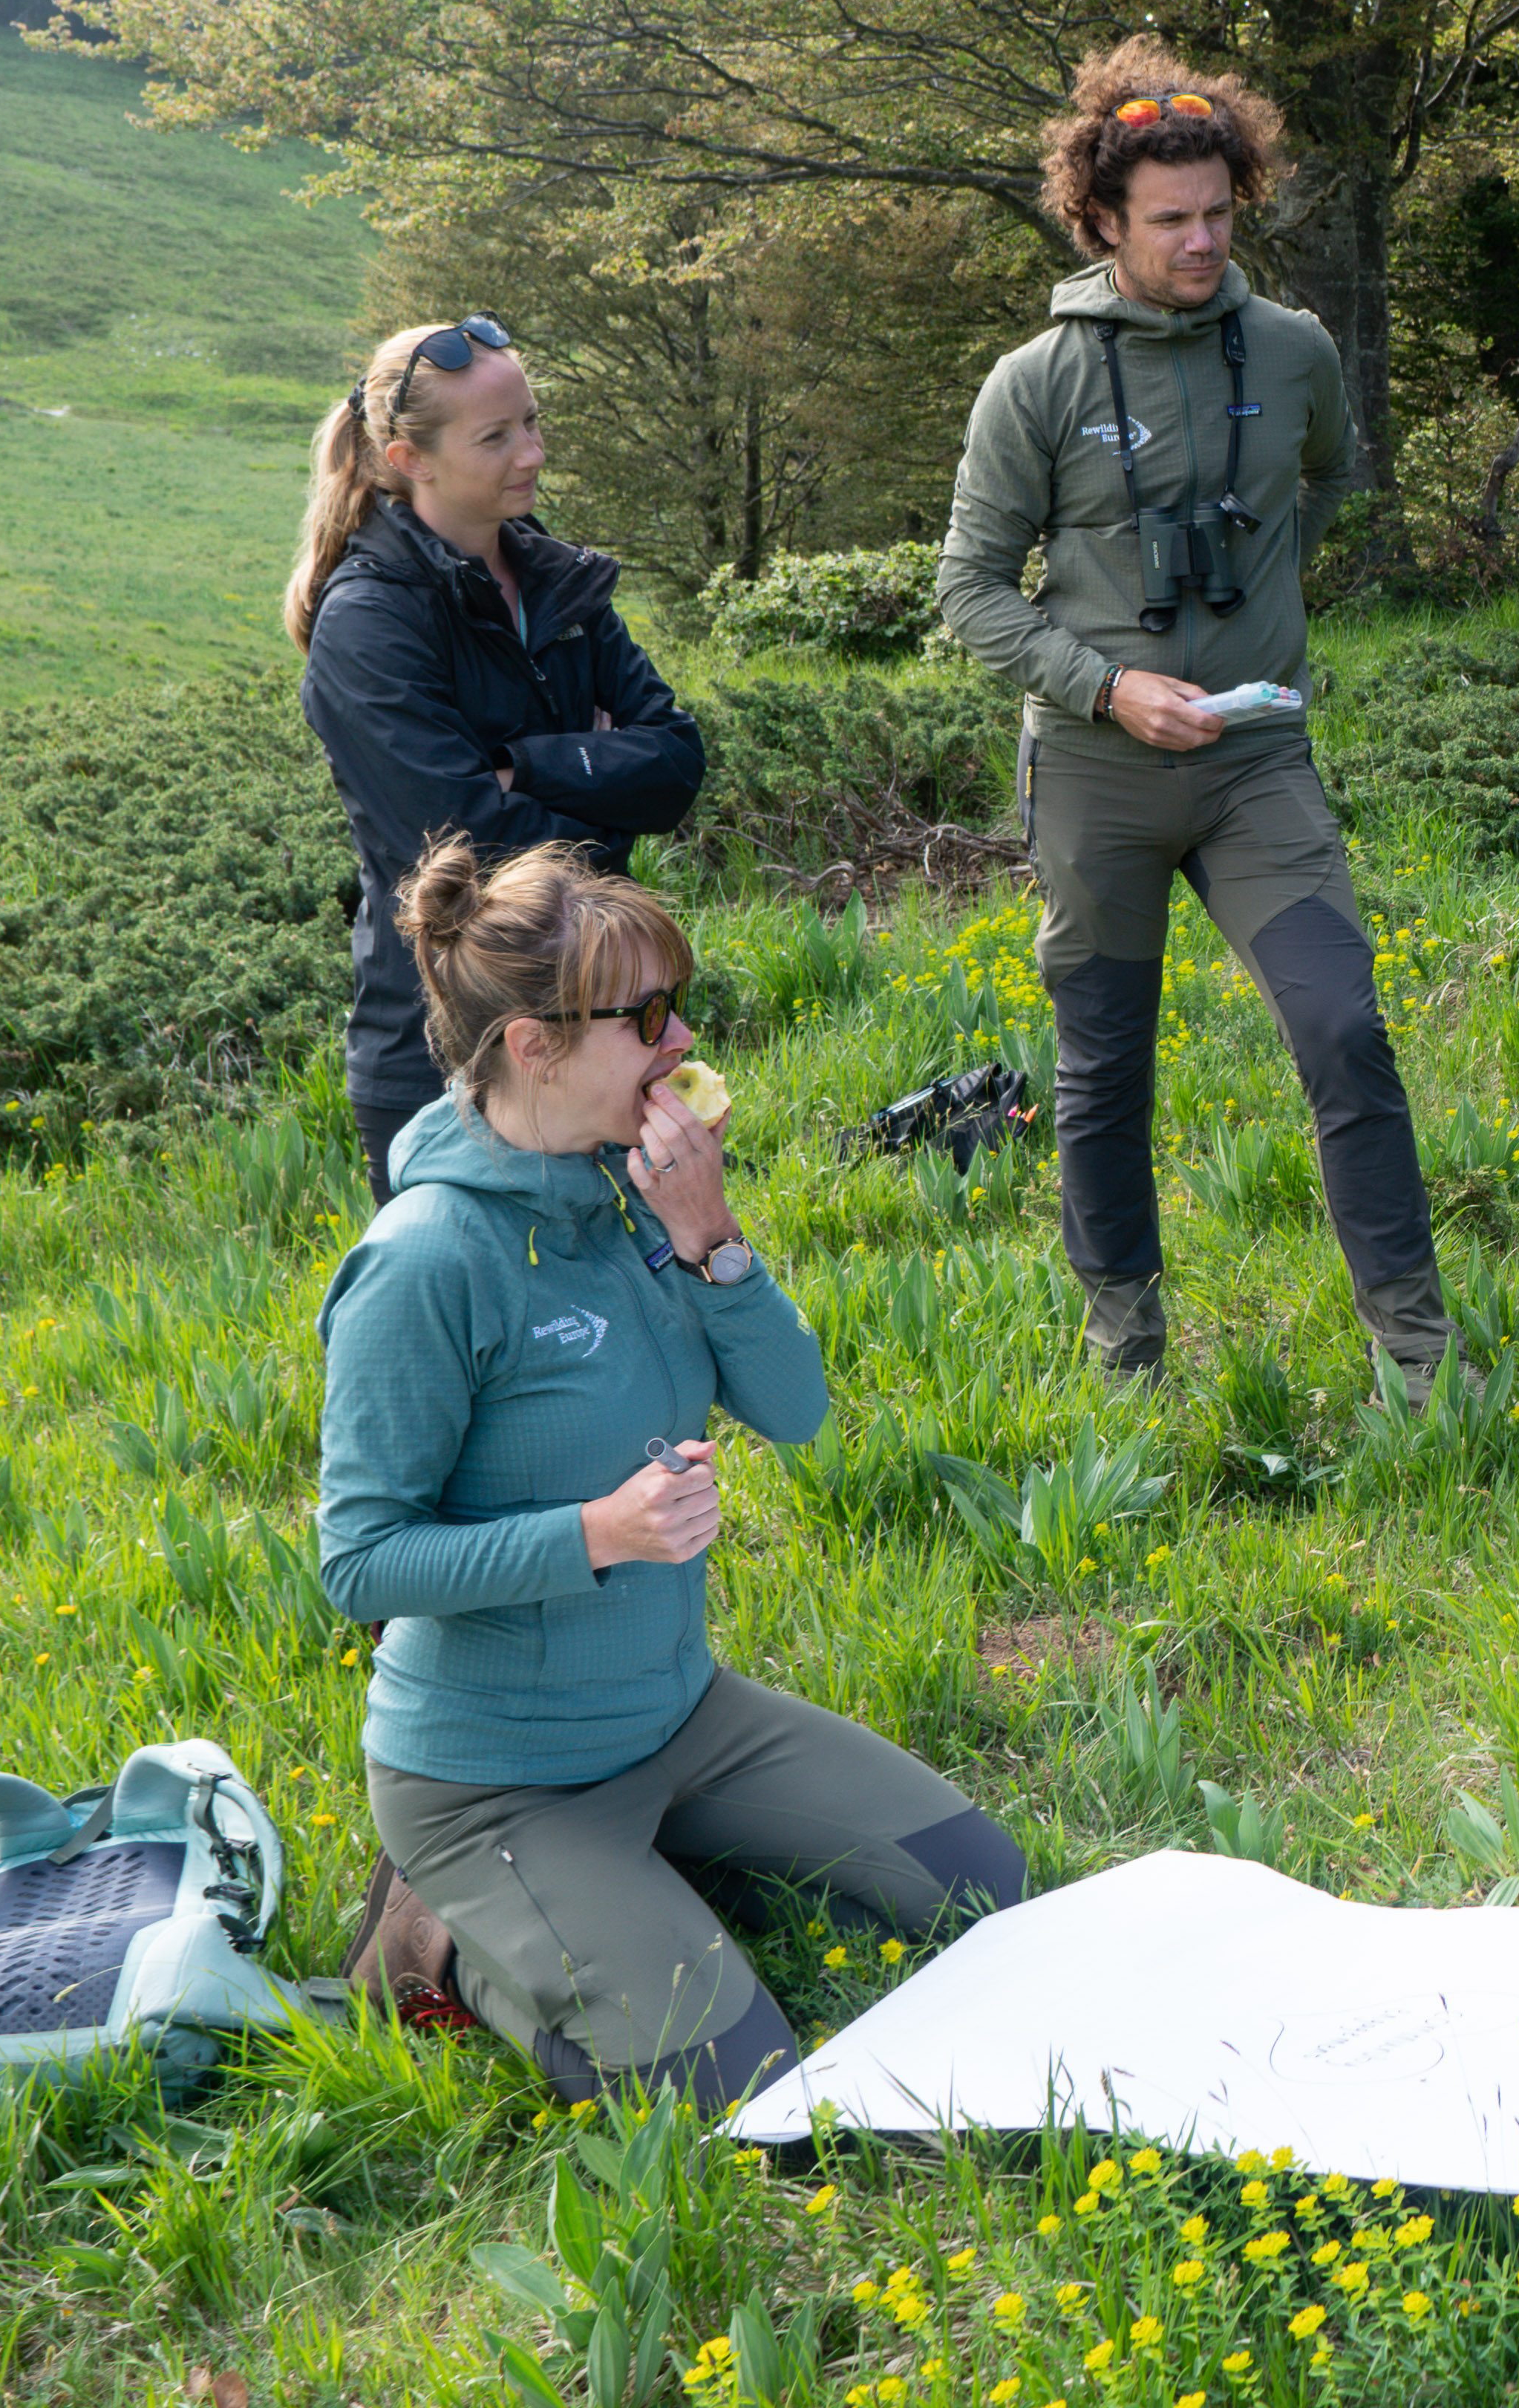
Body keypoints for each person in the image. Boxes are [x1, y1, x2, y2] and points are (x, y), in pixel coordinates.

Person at [321, 838, 1025, 2108]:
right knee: (739, 2084)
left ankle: (640, 1873)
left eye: (675, 1003)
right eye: (643, 1015)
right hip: (493, 1782)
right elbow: (359, 1562)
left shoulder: (637, 1187)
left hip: (680, 1718)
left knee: (987, 1889)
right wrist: (593, 1531)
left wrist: (713, 1240)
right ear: (532, 1047)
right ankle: (448, 1935)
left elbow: (799, 1413)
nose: (680, 1033)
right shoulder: (425, 1263)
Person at [935, 42, 1453, 1389]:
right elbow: (971, 592)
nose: (1203, 240)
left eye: (1221, 211)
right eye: (1170, 220)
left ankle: (1420, 1351)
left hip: (1256, 761)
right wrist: (1109, 684)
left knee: (1343, 1024)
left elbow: (1329, 482)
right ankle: (1126, 1350)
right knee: (1102, 1064)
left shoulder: (1293, 352)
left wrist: (1256, 601)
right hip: (1101, 774)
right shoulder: (1033, 384)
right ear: (1101, 220)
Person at [294, 316, 705, 1203]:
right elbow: (464, 849)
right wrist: (602, 774)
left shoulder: (559, 581)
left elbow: (675, 765)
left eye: (531, 421)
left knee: (631, 1321)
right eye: (497, 436)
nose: (532, 451)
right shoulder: (368, 625)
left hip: (606, 1033)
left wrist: (523, 765)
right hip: (451, 1054)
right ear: (411, 458)